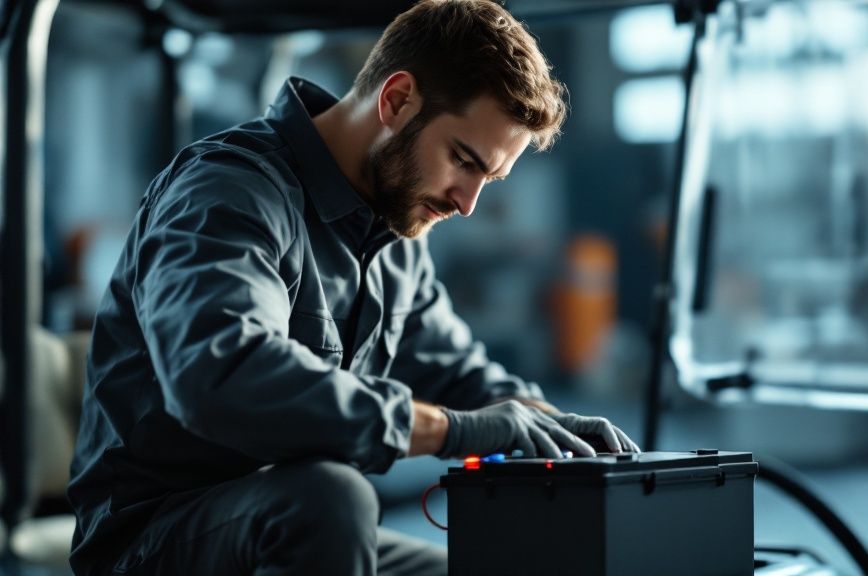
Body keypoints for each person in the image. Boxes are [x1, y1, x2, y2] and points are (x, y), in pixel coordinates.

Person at [67, 1, 639, 574]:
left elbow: (458, 374)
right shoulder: (229, 192)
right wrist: (451, 431)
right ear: (396, 100)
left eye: (488, 178)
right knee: (331, 498)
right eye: (462, 160)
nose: (468, 204)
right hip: (155, 539)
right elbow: (222, 375)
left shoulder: (395, 234)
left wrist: (545, 423)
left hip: (294, 523)